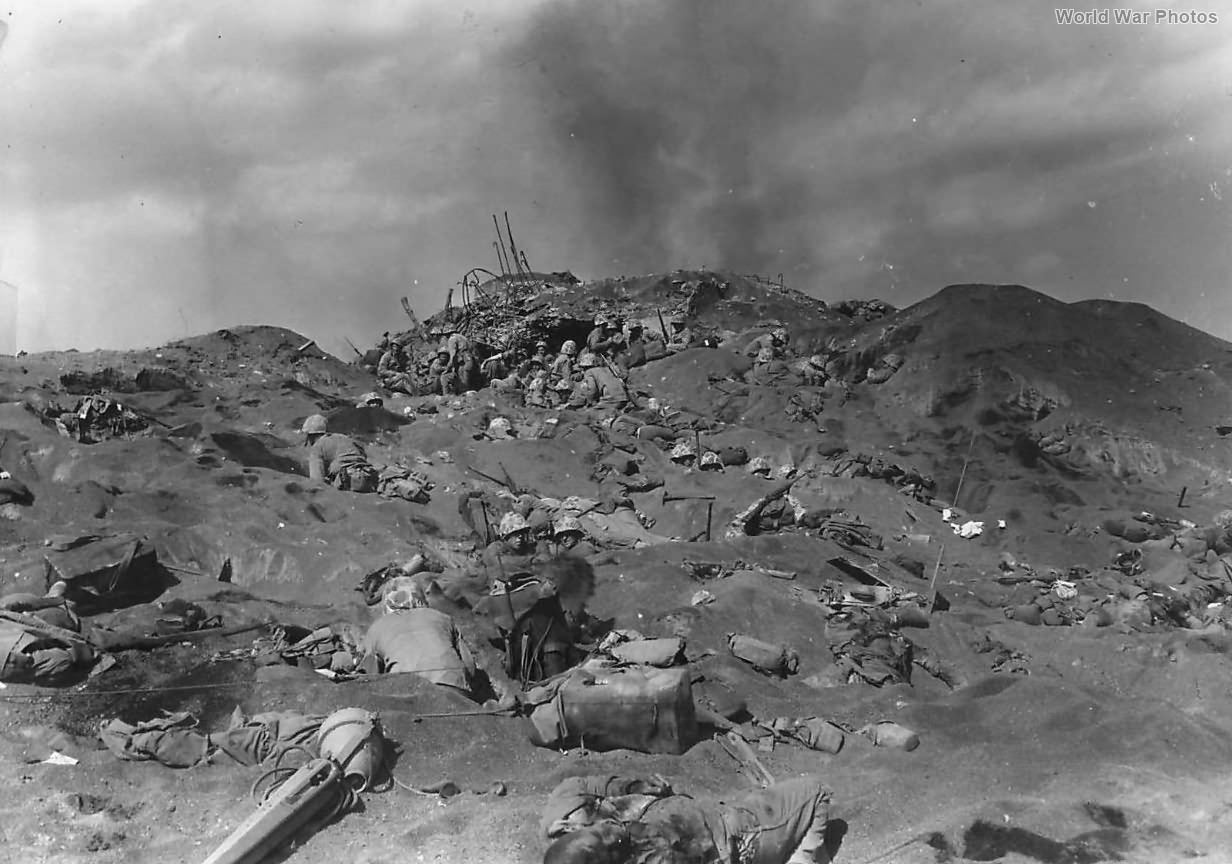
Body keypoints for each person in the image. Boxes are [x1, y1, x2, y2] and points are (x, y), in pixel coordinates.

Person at [540, 773, 832, 864]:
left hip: (719, 829)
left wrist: (630, 787)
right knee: (816, 791)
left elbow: (578, 787)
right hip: (740, 835)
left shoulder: (609, 842)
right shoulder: (639, 844)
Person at [361, 585, 477, 698]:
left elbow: (369, 676)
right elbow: (470, 666)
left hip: (405, 693)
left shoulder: (376, 627)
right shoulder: (442, 617)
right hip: (453, 687)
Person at [302, 414, 380, 492]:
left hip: (346, 483)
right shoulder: (347, 439)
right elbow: (362, 454)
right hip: (369, 478)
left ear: (309, 436)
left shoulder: (317, 447)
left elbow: (317, 482)